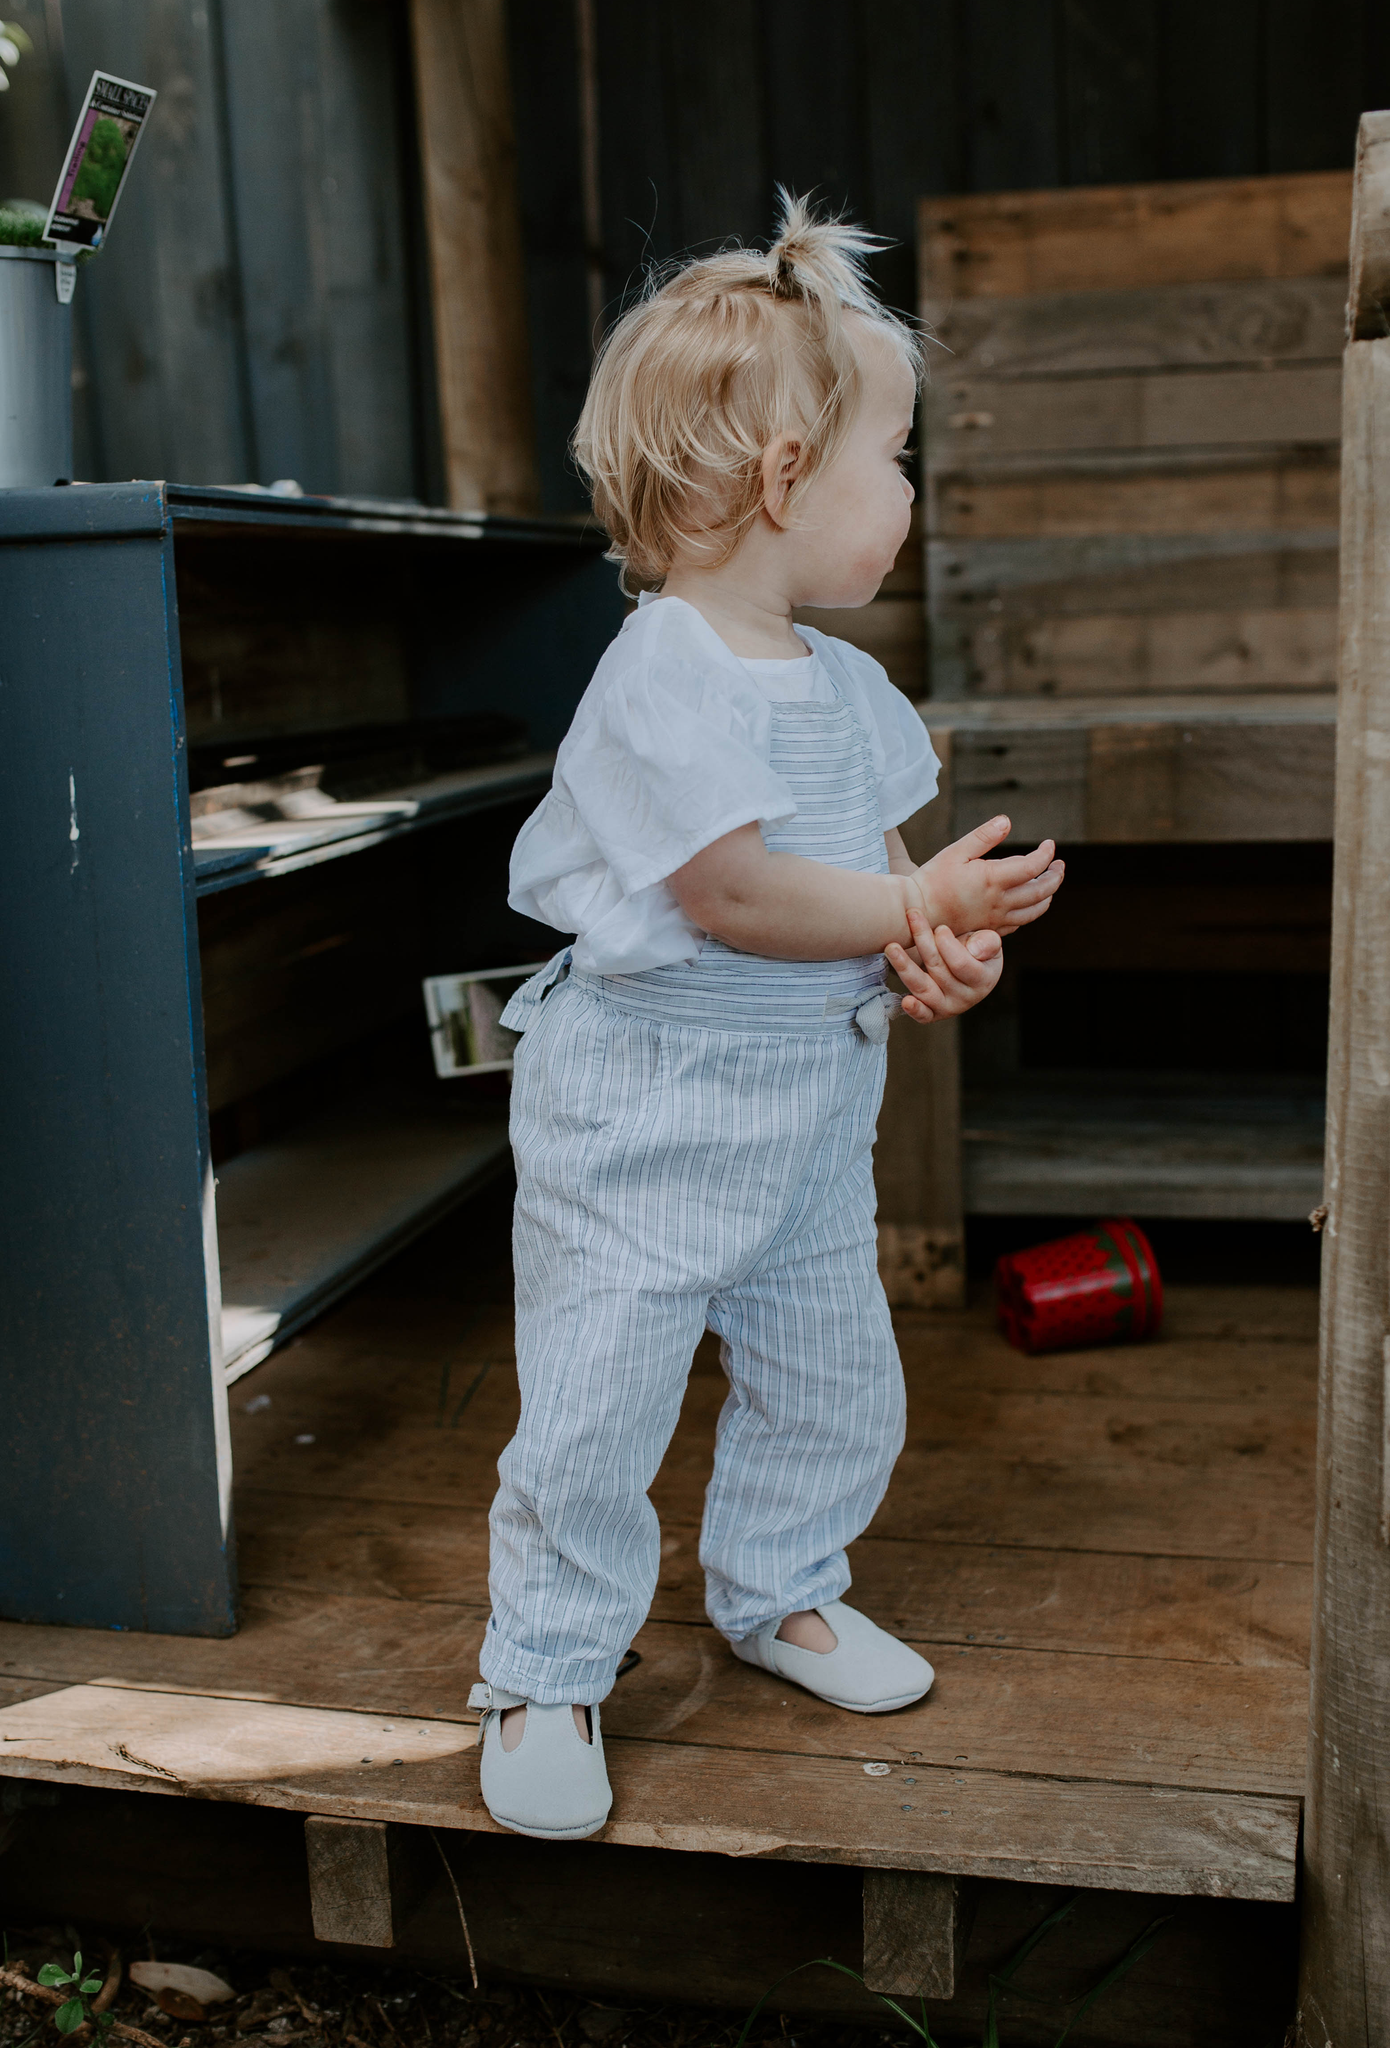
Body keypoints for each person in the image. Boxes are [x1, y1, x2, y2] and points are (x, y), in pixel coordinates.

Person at [469, 195, 1064, 1839]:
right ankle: (547, 1660)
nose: (912, 494)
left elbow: (868, 892)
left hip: (808, 1117)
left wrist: (937, 953)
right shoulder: (661, 670)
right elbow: (736, 895)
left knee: (832, 1377)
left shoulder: (852, 694)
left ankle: (780, 1587)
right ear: (788, 481)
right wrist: (909, 908)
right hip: (643, 1120)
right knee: (600, 1402)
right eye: (893, 462)